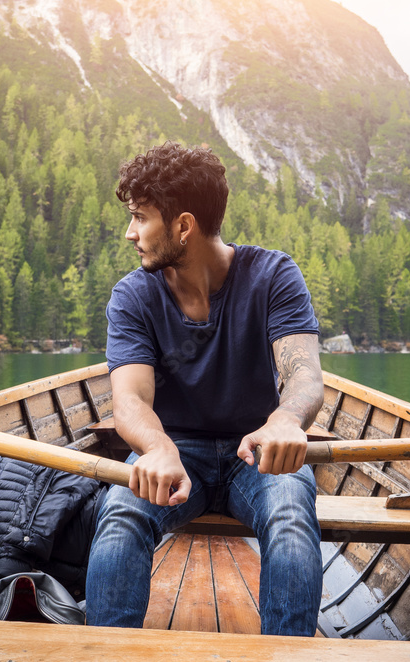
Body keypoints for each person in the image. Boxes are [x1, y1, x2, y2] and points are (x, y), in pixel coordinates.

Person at [85, 142, 325, 636]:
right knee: (121, 512)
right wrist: (156, 448)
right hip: (174, 453)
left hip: (256, 452)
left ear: (183, 226)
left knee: (291, 515)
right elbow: (129, 401)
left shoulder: (274, 276)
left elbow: (304, 377)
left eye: (140, 217)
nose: (130, 233)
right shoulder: (133, 296)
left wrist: (283, 423)